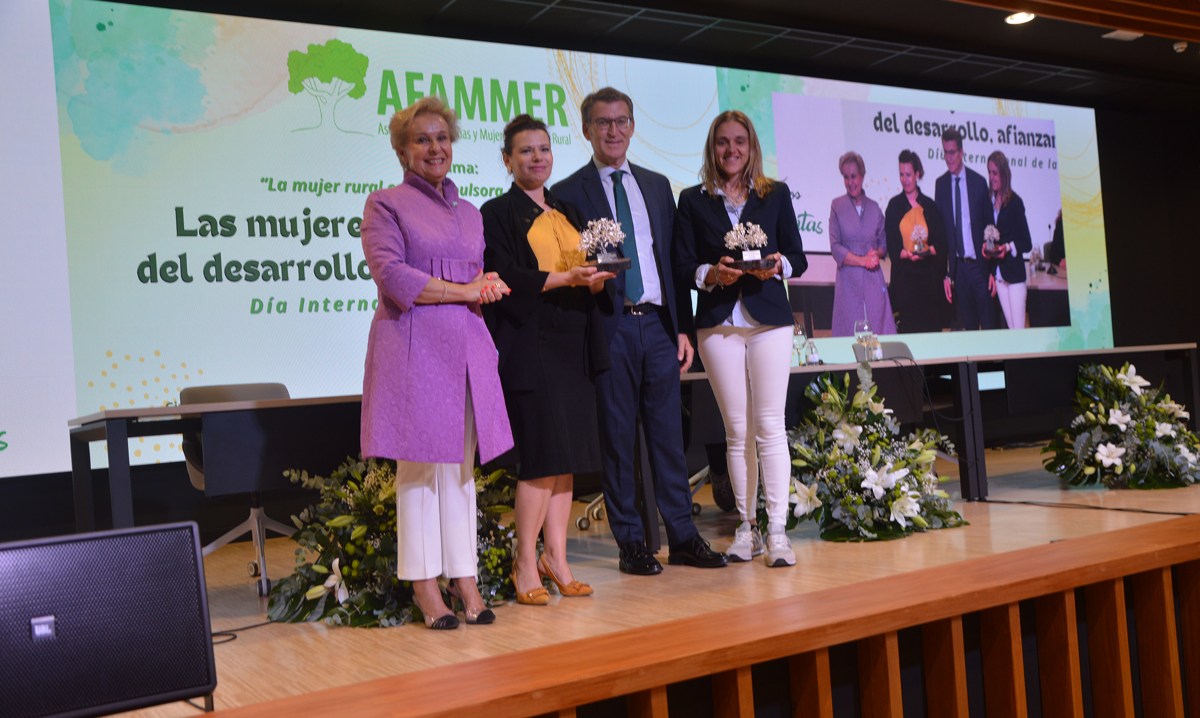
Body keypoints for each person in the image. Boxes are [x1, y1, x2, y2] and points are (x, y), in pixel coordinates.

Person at [553, 87, 726, 575]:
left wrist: (683, 329)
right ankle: (631, 542)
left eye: (622, 121)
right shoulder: (568, 193)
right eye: (603, 123)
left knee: (670, 437)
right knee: (618, 439)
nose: (613, 131)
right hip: (608, 327)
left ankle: (684, 537)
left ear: (632, 127)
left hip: (657, 325)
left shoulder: (655, 185)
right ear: (587, 129)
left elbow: (673, 263)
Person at [360, 97, 513, 630]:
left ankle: (464, 577)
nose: (435, 147)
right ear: (403, 149)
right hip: (413, 349)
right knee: (420, 471)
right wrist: (463, 288)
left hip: (467, 352)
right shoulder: (385, 204)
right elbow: (394, 278)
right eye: (422, 139)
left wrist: (485, 286)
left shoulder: (470, 213)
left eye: (442, 137)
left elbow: (475, 278)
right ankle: (425, 586)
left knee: (460, 473)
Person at [481, 114, 613, 605]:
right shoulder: (495, 212)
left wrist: (597, 278)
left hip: (573, 342)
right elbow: (503, 275)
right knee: (540, 459)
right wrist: (565, 280)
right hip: (530, 347)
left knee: (567, 461)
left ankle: (556, 559)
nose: (537, 158)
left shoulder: (568, 206)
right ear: (507, 159)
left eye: (543, 149)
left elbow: (587, 266)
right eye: (525, 151)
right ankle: (523, 565)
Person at [674, 110, 807, 567]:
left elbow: (798, 258)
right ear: (712, 148)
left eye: (740, 142)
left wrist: (778, 266)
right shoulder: (692, 200)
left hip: (769, 318)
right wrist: (710, 274)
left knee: (770, 426)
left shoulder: (776, 195)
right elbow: (682, 265)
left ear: (751, 147)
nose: (731, 151)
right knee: (737, 431)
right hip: (717, 323)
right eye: (723, 143)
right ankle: (745, 530)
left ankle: (777, 533)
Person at [829, 151, 896, 338]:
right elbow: (835, 247)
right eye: (845, 177)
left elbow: (883, 244)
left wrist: (876, 253)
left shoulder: (874, 208)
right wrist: (862, 261)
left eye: (854, 176)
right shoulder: (837, 206)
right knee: (850, 335)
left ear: (862, 176)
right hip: (848, 283)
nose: (850, 182)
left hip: (873, 282)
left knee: (879, 335)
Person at [935, 127, 994, 330]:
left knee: (988, 326)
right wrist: (946, 273)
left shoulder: (979, 183)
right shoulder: (940, 185)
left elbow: (990, 228)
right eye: (945, 152)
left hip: (980, 268)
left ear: (961, 152)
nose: (948, 158)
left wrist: (992, 270)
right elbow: (941, 235)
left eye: (952, 152)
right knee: (967, 328)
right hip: (958, 271)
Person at [885, 150, 948, 334]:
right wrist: (907, 254)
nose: (905, 179)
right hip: (906, 284)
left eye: (909, 175)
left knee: (931, 337)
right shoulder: (894, 206)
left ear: (917, 174)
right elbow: (892, 245)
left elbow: (940, 243)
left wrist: (928, 252)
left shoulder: (930, 206)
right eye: (901, 174)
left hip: (928, 283)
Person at [985, 151, 1033, 329]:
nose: (991, 177)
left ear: (1004, 174)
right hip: (999, 277)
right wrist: (988, 250)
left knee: (1018, 331)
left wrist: (1008, 246)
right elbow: (990, 236)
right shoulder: (989, 202)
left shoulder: (1015, 203)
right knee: (1011, 330)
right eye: (989, 172)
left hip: (1015, 277)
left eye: (995, 173)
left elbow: (1026, 242)